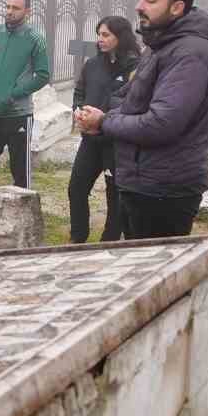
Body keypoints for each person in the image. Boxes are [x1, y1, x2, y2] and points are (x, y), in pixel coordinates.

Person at [75, 0, 208, 240]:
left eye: (151, 0)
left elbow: (161, 123)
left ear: (177, 7)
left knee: (158, 274)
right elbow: (131, 101)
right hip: (142, 181)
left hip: (165, 188)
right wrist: (101, 117)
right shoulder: (159, 47)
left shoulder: (189, 54)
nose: (139, 6)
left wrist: (104, 122)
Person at [67, 15, 137, 245]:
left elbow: (133, 104)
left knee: (114, 196)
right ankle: (78, 237)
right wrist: (78, 110)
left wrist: (104, 122)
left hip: (116, 143)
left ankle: (109, 240)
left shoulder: (135, 67)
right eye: (99, 34)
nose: (100, 39)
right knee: (76, 188)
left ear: (121, 36)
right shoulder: (92, 65)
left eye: (106, 35)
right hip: (90, 141)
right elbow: (79, 92)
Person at [0, 0, 52, 189]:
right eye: (8, 6)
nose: (9, 11)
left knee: (19, 169)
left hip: (18, 114)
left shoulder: (35, 38)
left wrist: (14, 94)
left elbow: (43, 75)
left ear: (28, 12)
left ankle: (25, 213)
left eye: (16, 8)